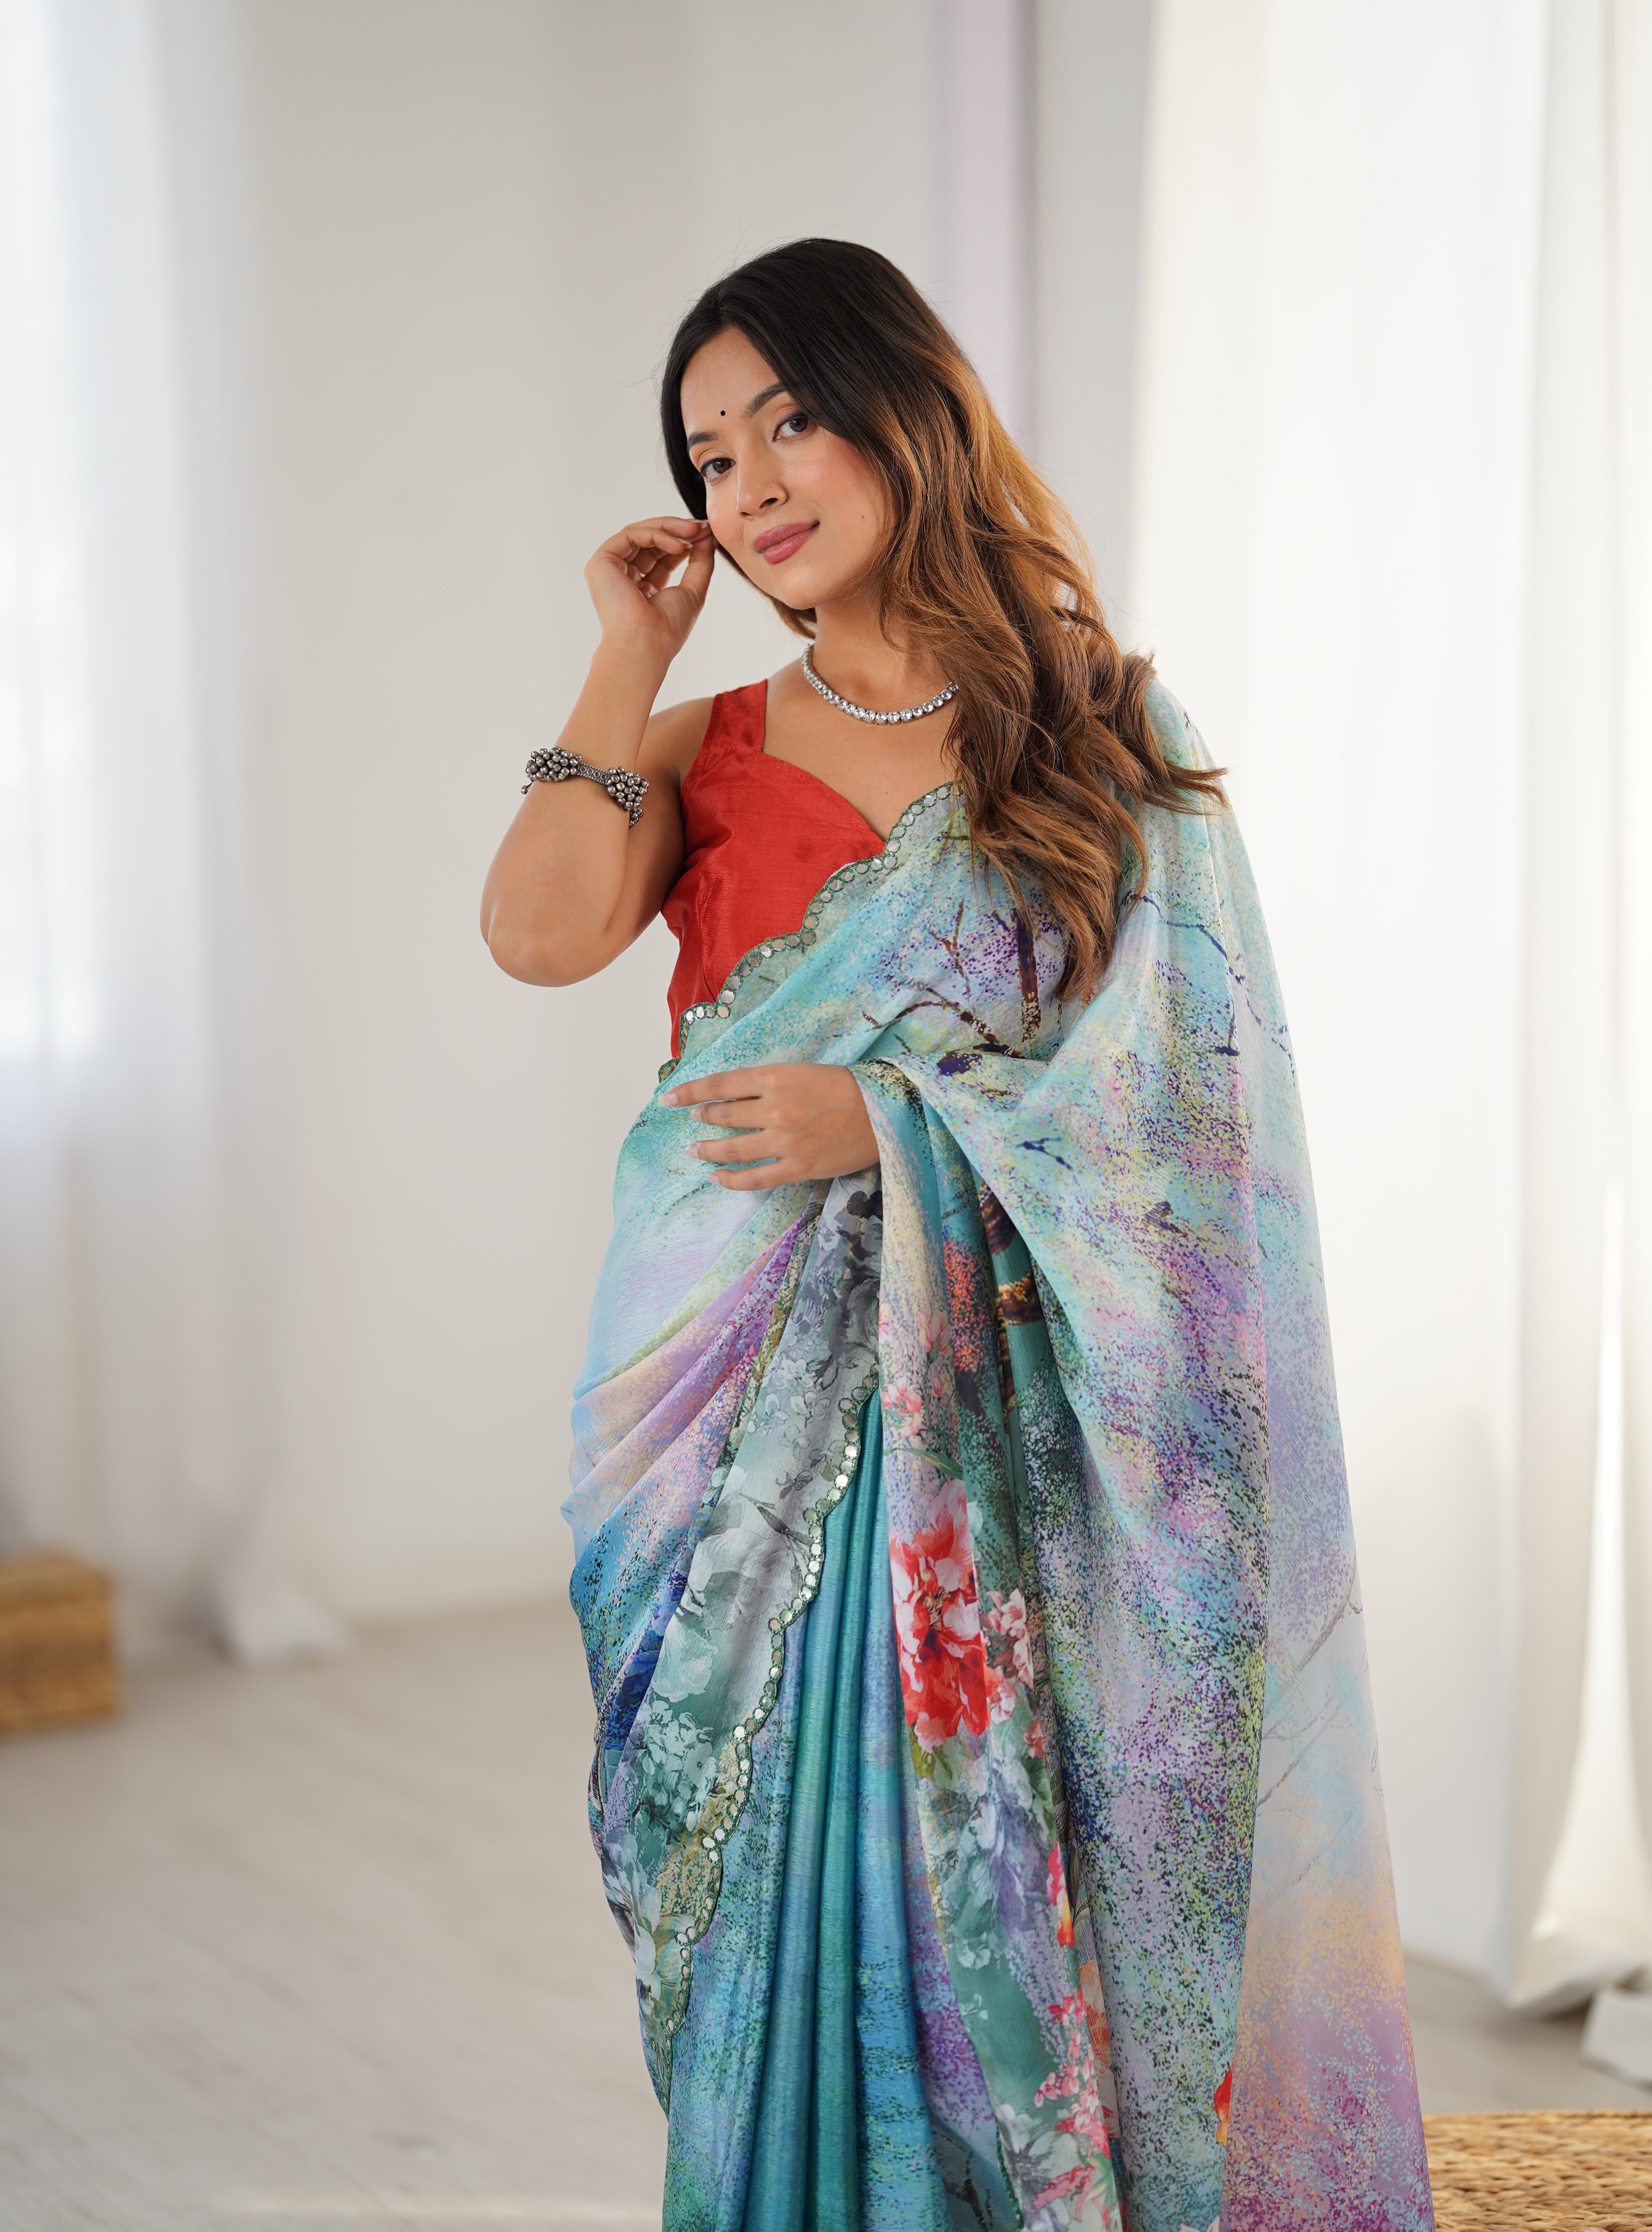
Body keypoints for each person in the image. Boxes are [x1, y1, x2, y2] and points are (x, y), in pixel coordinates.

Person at [482, 239, 1433, 2232]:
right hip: (722, 1422)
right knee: (759, 1877)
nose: (748, 482)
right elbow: (539, 933)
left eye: (788, 421)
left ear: (906, 409)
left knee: (975, 1880)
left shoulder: (1097, 727)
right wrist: (624, 654)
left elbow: (1193, 1128)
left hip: (997, 1427)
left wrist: (892, 1125)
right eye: (706, 453)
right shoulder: (711, 739)